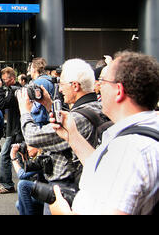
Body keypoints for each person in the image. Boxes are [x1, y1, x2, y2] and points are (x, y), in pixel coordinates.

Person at [49, 51, 159, 215]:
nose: (97, 88)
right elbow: (103, 168)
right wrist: (72, 135)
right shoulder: (140, 134)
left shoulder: (129, 150)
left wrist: (63, 212)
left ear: (119, 91)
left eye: (102, 82)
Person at [18, 58, 109, 214]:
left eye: (62, 84)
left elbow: (33, 137)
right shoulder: (97, 108)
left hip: (65, 185)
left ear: (75, 85)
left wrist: (24, 111)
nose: (59, 89)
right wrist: (48, 104)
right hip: (81, 181)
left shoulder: (78, 118)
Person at [0, 67, 22, 194]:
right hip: (16, 128)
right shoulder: (16, 89)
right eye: (2, 80)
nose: (3, 82)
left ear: (12, 79)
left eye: (5, 80)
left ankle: (8, 185)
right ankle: (25, 184)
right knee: (20, 157)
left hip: (15, 129)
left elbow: (0, 105)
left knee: (3, 157)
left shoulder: (15, 91)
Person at [11, 143, 45, 215]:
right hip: (45, 191)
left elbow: (22, 175)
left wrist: (13, 157)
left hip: (50, 195)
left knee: (22, 184)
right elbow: (28, 171)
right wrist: (24, 156)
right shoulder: (37, 155)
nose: (27, 149)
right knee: (19, 204)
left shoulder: (42, 158)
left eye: (29, 147)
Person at [28, 58, 55, 127]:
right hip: (49, 118)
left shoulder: (38, 82)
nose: (29, 71)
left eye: (30, 68)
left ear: (34, 69)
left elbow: (35, 106)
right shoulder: (49, 79)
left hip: (40, 120)